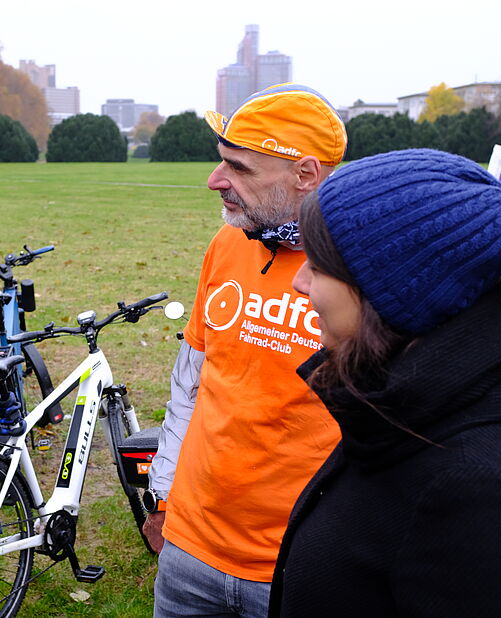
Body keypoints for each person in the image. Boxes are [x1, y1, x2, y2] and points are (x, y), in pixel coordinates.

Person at [269, 148, 501, 616]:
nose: (299, 282)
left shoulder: (481, 492)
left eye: (320, 266)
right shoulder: (400, 406)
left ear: (394, 291)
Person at [143, 83, 346, 617]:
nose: (215, 181)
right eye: (220, 162)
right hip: (190, 552)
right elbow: (192, 382)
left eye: (239, 168)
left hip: (302, 565)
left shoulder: (364, 265)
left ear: (305, 174)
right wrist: (164, 498)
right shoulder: (228, 242)